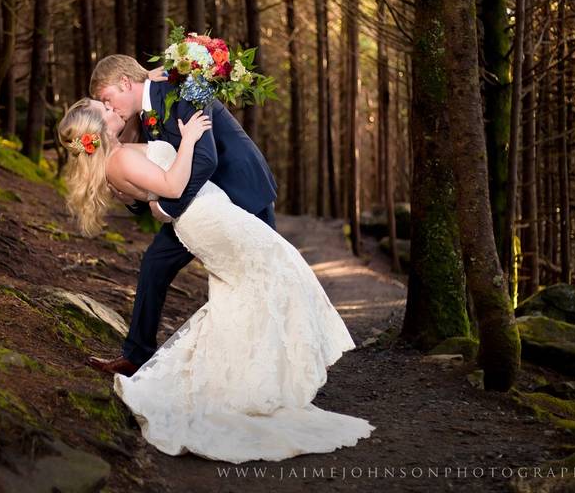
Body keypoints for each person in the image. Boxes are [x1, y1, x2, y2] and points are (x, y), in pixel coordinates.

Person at [56, 97, 375, 463]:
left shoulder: (120, 153)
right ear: (97, 131)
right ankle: (249, 383)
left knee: (243, 291)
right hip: (206, 217)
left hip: (210, 210)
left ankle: (244, 383)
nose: (115, 112)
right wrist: (190, 138)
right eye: (107, 112)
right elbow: (173, 188)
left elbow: (156, 196)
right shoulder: (121, 159)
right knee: (279, 267)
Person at [85, 54, 278, 377]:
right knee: (155, 264)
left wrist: (166, 209)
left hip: (242, 190)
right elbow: (155, 169)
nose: (109, 107)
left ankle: (269, 368)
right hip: (202, 203)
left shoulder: (185, 87)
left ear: (124, 83)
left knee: (262, 277)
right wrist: (133, 198)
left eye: (107, 99)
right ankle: (136, 355)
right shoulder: (144, 113)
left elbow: (205, 159)